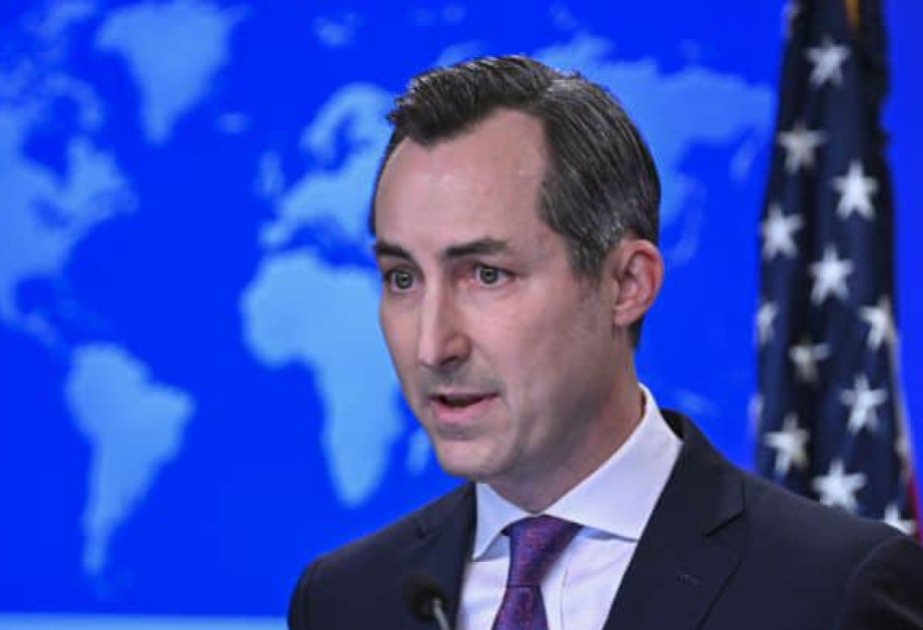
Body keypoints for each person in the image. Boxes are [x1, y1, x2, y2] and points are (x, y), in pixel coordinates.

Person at [287, 55, 923, 630]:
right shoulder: (345, 601)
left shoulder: (831, 591)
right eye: (402, 278)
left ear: (626, 284)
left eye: (486, 275)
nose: (432, 346)